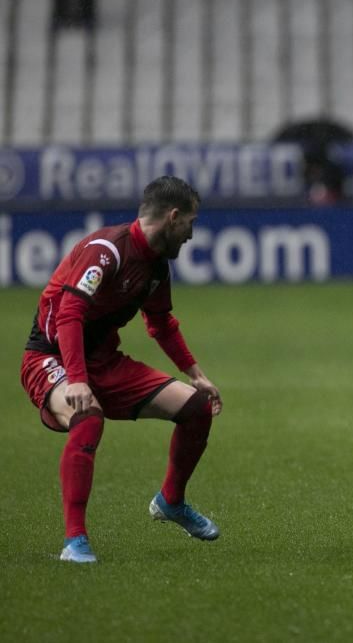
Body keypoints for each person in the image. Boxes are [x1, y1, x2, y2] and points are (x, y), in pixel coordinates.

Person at [20, 176, 224, 563]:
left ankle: (171, 501)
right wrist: (77, 380)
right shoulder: (107, 251)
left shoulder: (156, 268)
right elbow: (70, 313)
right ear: (173, 216)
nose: (192, 235)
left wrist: (196, 373)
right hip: (50, 357)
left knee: (196, 408)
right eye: (191, 224)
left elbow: (161, 323)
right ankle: (74, 541)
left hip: (102, 361)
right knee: (88, 415)